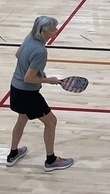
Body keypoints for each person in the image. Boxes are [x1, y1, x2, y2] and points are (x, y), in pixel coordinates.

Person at [8, 15, 74, 172]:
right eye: (53, 29)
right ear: (43, 32)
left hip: (15, 87)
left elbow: (18, 55)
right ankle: (51, 161)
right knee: (51, 122)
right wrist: (47, 80)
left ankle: (13, 154)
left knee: (22, 118)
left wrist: (37, 72)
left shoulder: (29, 38)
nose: (56, 31)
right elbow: (29, 78)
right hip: (28, 93)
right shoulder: (40, 51)